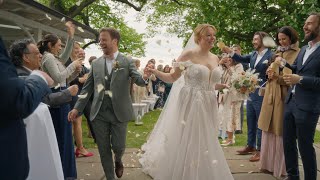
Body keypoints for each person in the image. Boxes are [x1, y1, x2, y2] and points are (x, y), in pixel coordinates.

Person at [139, 24, 233, 180]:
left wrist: (221, 86)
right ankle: (185, 171)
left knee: (206, 135)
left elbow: (209, 83)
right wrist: (155, 71)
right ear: (198, 37)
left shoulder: (215, 58)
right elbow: (172, 78)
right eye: (208, 35)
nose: (212, 38)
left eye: (213, 35)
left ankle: (204, 168)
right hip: (191, 100)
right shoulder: (188, 55)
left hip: (209, 101)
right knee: (191, 134)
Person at [68, 27, 151, 180]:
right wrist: (76, 109)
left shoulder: (126, 61)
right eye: (99, 40)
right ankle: (110, 177)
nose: (100, 43)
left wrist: (145, 76)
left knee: (118, 146)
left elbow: (138, 80)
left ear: (114, 41)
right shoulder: (96, 64)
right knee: (103, 148)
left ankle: (118, 159)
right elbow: (87, 89)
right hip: (99, 113)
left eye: (104, 39)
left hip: (119, 112)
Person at [275, 12, 320, 180]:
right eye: (305, 23)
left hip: (308, 106)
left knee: (305, 146)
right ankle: (292, 176)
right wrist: (285, 64)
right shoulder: (304, 49)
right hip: (291, 102)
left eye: (309, 23)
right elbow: (297, 68)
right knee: (288, 143)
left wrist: (299, 80)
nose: (304, 26)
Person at [0, 36, 53, 179]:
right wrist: (40, 78)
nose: (41, 55)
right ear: (26, 57)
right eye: (36, 53)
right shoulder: (22, 75)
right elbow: (21, 100)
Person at [39, 21, 81, 179]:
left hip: (63, 94)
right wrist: (73, 65)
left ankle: (68, 173)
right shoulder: (48, 58)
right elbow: (58, 78)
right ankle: (62, 174)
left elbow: (65, 77)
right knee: (62, 139)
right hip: (57, 99)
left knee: (66, 139)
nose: (60, 48)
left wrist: (71, 36)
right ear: (50, 45)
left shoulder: (54, 58)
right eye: (58, 45)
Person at [222, 31, 273, 162]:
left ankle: (260, 150)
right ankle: (250, 145)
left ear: (263, 40)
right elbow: (241, 58)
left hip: (263, 92)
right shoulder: (253, 54)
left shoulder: (271, 55)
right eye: (253, 39)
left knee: (260, 122)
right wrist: (230, 51)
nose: (253, 41)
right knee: (251, 119)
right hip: (251, 92)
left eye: (256, 39)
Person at [258, 26, 300, 178]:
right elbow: (272, 72)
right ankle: (268, 164)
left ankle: (281, 168)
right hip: (270, 93)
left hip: (284, 96)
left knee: (280, 130)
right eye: (279, 39)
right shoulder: (277, 52)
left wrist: (277, 77)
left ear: (291, 38)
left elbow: (291, 78)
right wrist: (269, 74)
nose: (281, 42)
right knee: (268, 129)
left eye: (284, 39)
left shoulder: (297, 53)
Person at [67, 46, 94, 157]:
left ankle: (76, 147)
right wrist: (80, 79)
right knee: (76, 122)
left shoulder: (79, 64)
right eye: (76, 49)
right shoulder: (69, 62)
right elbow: (64, 77)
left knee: (75, 122)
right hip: (72, 94)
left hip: (78, 94)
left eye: (80, 50)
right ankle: (80, 148)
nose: (79, 52)